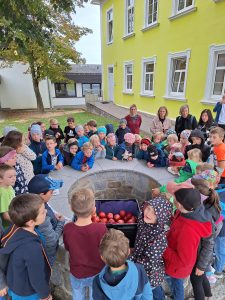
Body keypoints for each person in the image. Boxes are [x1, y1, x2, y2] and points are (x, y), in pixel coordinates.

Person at [163, 185, 213, 300]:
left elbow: (184, 261)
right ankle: (207, 294)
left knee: (181, 285)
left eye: (174, 198)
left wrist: (162, 248)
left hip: (179, 267)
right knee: (179, 283)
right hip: (183, 259)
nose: (172, 199)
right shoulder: (188, 211)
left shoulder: (188, 230)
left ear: (179, 204)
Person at [0, 193, 52, 300]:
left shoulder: (13, 228)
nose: (46, 211)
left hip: (15, 283)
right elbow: (37, 278)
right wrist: (45, 295)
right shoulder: (32, 248)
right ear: (31, 222)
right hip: (28, 292)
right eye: (43, 212)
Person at [63, 188, 107, 300]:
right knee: (95, 295)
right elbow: (104, 248)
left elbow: (67, 247)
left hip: (77, 272)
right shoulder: (101, 228)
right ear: (94, 210)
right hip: (97, 271)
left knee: (77, 295)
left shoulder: (68, 229)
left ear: (71, 208)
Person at [130, 198, 172, 300]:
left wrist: (129, 260)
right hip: (138, 260)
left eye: (154, 212)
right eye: (148, 208)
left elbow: (147, 262)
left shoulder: (159, 238)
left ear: (161, 217)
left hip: (150, 273)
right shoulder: (144, 221)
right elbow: (140, 210)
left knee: (152, 288)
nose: (148, 213)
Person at [93, 229, 153, 300]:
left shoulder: (97, 281)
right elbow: (147, 294)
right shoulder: (139, 270)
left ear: (102, 258)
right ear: (128, 252)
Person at [28, 174, 65, 266]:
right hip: (47, 253)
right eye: (51, 192)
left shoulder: (33, 201)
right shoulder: (42, 217)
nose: (52, 194)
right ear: (41, 195)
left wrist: (53, 215)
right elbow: (52, 241)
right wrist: (61, 222)